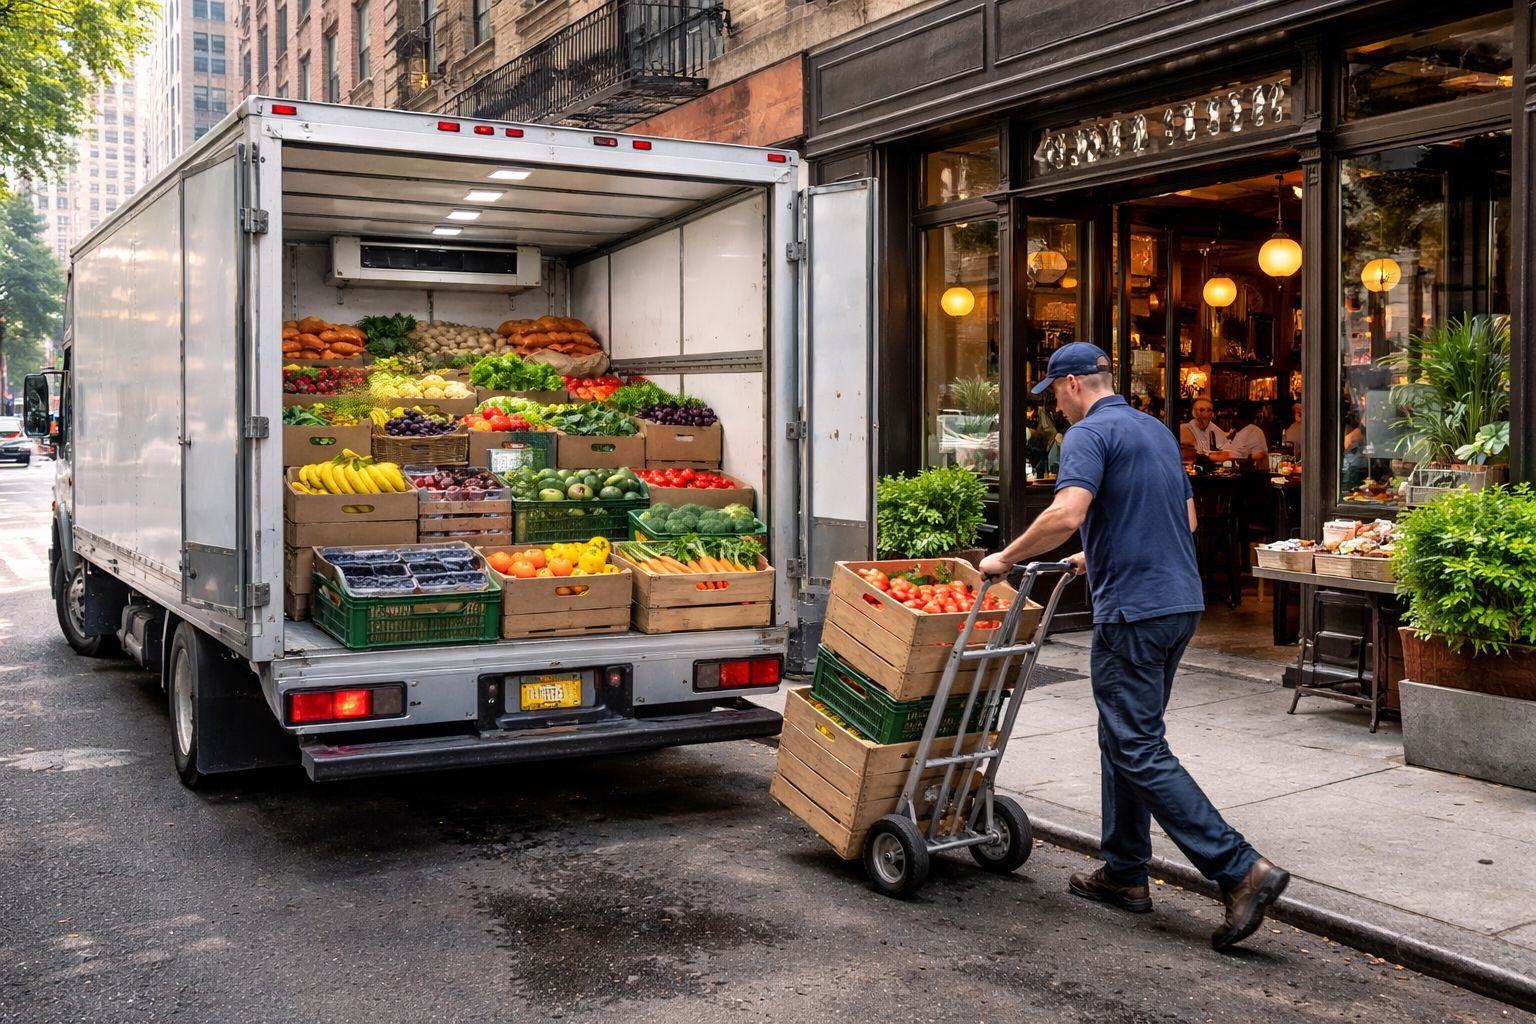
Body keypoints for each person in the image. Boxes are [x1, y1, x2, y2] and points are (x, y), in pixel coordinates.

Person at [978, 342, 1289, 952]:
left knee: (1137, 744)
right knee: (1122, 735)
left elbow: (1067, 511)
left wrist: (1005, 557)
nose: (1056, 412)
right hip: (1178, 604)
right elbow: (1186, 521)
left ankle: (1239, 869)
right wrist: (1096, 553)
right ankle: (1124, 873)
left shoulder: (1087, 437)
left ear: (1070, 385)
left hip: (1134, 612)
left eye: (1054, 399)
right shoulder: (1154, 431)